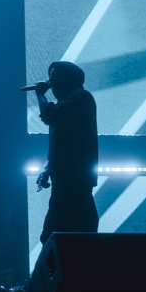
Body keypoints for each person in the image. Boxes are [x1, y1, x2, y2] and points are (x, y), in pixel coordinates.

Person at [34, 61, 99, 245]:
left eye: (54, 75)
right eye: (50, 76)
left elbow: (50, 115)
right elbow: (59, 145)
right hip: (64, 179)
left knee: (54, 231)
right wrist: (47, 169)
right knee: (65, 229)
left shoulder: (81, 98)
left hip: (74, 177)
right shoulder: (64, 105)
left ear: (67, 77)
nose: (50, 80)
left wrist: (40, 94)